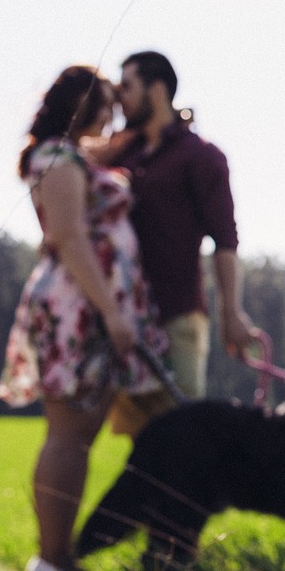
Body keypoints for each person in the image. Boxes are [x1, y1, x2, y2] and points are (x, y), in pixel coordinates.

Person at [0, 65, 171, 571]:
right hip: (83, 308)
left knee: (76, 435)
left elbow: (109, 153)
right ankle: (54, 562)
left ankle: (59, 559)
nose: (113, 113)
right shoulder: (59, 158)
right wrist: (114, 314)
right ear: (85, 104)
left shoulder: (69, 155)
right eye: (106, 103)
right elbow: (70, 238)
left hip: (86, 306)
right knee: (70, 435)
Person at [103, 50, 258, 435]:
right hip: (120, 319)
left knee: (179, 438)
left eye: (127, 87)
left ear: (156, 91)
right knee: (138, 443)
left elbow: (225, 239)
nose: (118, 97)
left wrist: (232, 312)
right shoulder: (123, 154)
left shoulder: (201, 156)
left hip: (175, 316)